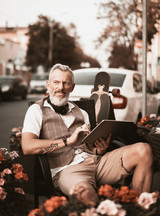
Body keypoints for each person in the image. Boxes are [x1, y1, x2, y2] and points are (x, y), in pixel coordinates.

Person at [22, 63, 153, 206]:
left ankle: (139, 208)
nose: (61, 87)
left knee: (143, 150)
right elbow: (27, 146)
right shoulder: (36, 110)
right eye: (56, 82)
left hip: (97, 163)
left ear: (72, 87)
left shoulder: (81, 112)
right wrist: (67, 141)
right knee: (86, 194)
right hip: (68, 171)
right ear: (48, 84)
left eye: (66, 83)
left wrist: (98, 149)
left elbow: (88, 146)